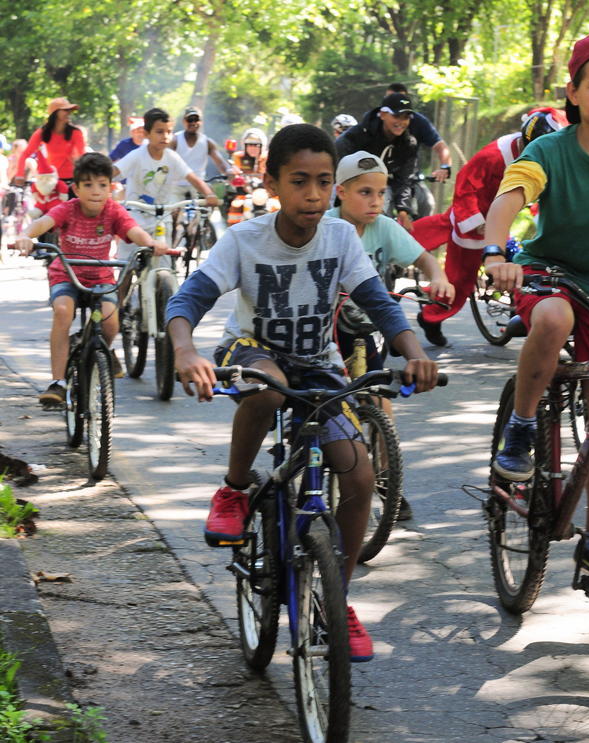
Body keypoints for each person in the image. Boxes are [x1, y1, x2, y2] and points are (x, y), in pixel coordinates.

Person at [166, 123, 439, 661]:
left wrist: (414, 351)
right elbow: (188, 300)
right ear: (272, 183)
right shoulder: (245, 240)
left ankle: (336, 597)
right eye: (298, 181)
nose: (312, 195)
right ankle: (235, 489)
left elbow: (379, 302)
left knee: (358, 474)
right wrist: (184, 351)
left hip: (319, 364)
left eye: (322, 181)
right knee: (271, 390)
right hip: (250, 350)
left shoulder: (340, 238)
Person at [483, 26, 589, 572]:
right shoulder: (548, 149)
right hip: (550, 272)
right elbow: (509, 200)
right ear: (573, 93)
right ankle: (523, 423)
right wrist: (493, 252)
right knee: (552, 318)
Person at [327, 150, 454, 519]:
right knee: (325, 397)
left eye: (381, 193)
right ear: (340, 192)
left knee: (381, 401)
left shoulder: (385, 227)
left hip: (372, 325)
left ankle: (386, 480)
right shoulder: (328, 226)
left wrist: (439, 277)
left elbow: (424, 258)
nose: (376, 201)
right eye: (365, 192)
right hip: (331, 328)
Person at [13, 152, 167, 406]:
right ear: (75, 188)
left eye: (102, 185)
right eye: (88, 185)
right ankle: (58, 382)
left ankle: (98, 348)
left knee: (110, 322)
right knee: (63, 311)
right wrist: (26, 236)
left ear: (110, 187)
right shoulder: (68, 209)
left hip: (101, 276)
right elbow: (43, 222)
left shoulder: (113, 211)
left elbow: (133, 230)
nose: (96, 191)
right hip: (67, 274)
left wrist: (151, 243)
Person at [411, 107, 569, 346]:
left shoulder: (549, 157)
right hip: (475, 225)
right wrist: (478, 223)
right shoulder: (492, 156)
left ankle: (524, 310)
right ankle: (431, 317)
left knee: (522, 264)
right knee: (459, 281)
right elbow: (465, 188)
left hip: (499, 224)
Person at [336, 92, 451, 230]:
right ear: (383, 114)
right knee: (377, 209)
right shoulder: (357, 136)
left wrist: (403, 210)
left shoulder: (409, 143)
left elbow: (403, 180)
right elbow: (340, 166)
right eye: (396, 116)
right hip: (350, 187)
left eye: (406, 118)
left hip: (383, 186)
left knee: (419, 203)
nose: (401, 122)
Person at [112, 107, 219, 243]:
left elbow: (192, 178)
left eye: (169, 132)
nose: (165, 136)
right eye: (159, 132)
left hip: (161, 218)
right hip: (135, 219)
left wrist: (209, 194)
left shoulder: (172, 157)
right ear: (146, 134)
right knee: (128, 259)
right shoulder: (136, 155)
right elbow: (114, 171)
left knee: (165, 259)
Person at [15, 98, 85, 189]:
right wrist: (20, 174)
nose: (69, 113)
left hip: (72, 181)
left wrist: (84, 176)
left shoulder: (76, 132)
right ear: (55, 113)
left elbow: (83, 157)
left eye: (70, 110)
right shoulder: (42, 132)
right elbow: (26, 154)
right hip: (50, 180)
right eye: (65, 110)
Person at [170, 105, 236, 188]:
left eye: (196, 119)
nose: (193, 123)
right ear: (184, 121)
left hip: (199, 188)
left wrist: (228, 170)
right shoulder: (174, 140)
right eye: (190, 120)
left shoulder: (208, 142)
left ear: (201, 122)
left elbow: (220, 163)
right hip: (175, 188)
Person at [29, 151, 69, 217]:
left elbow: (63, 188)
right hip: (41, 201)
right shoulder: (37, 184)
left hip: (54, 200)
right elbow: (34, 190)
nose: (44, 181)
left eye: (47, 178)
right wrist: (35, 195)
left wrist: (63, 196)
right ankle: (37, 211)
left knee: (55, 209)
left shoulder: (56, 183)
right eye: (42, 178)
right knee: (38, 209)